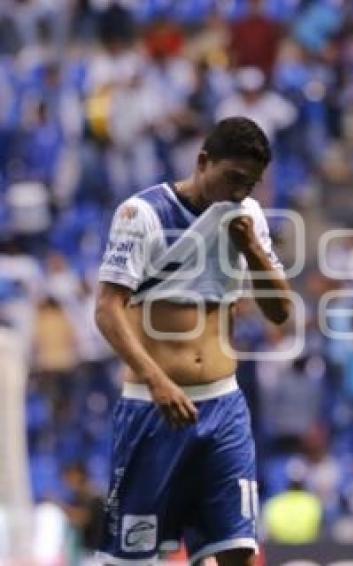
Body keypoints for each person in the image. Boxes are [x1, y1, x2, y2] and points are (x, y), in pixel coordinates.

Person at [94, 117, 291, 564]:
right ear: (203, 162)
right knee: (134, 557)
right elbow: (107, 309)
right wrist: (157, 380)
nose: (241, 192)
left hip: (224, 407)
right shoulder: (141, 215)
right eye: (234, 179)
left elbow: (280, 311)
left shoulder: (248, 217)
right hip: (153, 408)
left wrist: (252, 250)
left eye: (252, 184)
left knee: (238, 552)